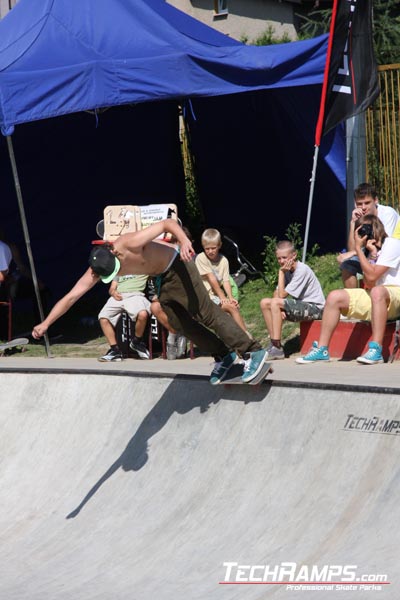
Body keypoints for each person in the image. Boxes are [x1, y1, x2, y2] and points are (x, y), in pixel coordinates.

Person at [32, 219, 268, 383]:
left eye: (117, 270)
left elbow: (167, 224)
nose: (118, 274)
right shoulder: (96, 269)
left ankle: (253, 352)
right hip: (161, 280)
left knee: (204, 312)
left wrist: (184, 241)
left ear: (114, 254)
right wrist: (46, 324)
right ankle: (223, 355)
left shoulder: (128, 243)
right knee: (179, 324)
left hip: (179, 267)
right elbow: (71, 297)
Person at [297, 214, 400, 365]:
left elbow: (372, 279)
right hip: (378, 295)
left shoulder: (392, 244)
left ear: (376, 229)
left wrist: (358, 248)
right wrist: (369, 254)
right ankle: (322, 349)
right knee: (334, 297)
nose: (363, 235)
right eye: (360, 232)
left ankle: (376, 350)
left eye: (365, 230)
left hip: (395, 292)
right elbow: (369, 283)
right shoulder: (368, 250)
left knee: (377, 292)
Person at [260, 240, 325, 360]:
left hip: (316, 308)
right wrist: (278, 309)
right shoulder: (287, 270)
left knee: (275, 302)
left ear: (294, 255)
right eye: (279, 258)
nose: (281, 261)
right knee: (265, 303)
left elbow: (283, 294)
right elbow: (277, 292)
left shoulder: (301, 270)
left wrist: (280, 273)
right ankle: (275, 344)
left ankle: (277, 348)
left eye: (284, 257)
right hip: (301, 306)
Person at [338, 182, 400, 288]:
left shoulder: (387, 214)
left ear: (375, 200)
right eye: (359, 204)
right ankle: (353, 299)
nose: (363, 207)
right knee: (347, 265)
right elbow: (352, 248)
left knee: (349, 259)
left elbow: (383, 245)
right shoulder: (360, 217)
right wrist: (353, 223)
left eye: (367, 203)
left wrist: (352, 253)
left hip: (385, 255)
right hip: (367, 253)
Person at [195, 228, 248, 333]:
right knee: (231, 308)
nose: (210, 251)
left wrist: (231, 297)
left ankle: (241, 338)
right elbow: (211, 279)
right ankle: (246, 337)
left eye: (213, 248)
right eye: (207, 248)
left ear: (219, 245)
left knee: (232, 306)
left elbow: (226, 281)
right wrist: (223, 297)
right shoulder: (201, 258)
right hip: (205, 297)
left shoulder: (223, 260)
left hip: (216, 296)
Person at [98, 273, 151, 362]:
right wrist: (113, 292)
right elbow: (111, 289)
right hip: (119, 296)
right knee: (103, 317)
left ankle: (136, 342)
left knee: (143, 314)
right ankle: (115, 351)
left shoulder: (143, 267)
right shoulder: (120, 268)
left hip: (136, 295)